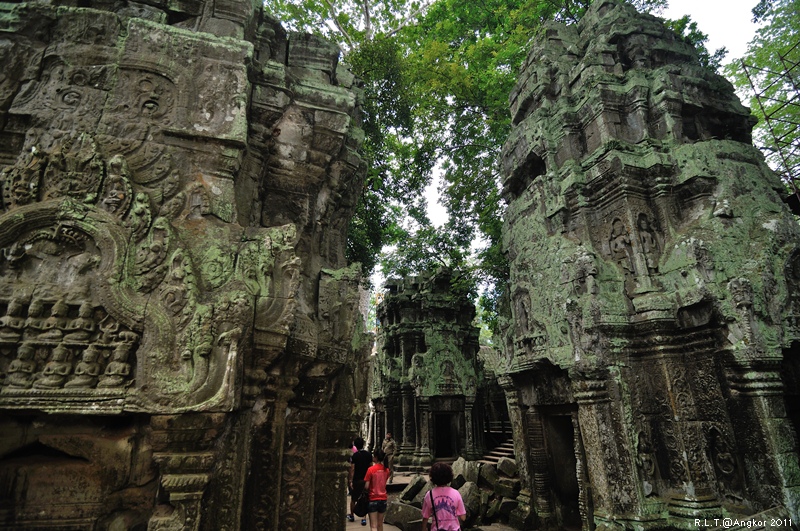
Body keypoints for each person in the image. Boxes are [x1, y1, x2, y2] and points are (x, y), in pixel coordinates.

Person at [421, 462, 466, 531]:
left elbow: (425, 517)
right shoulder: (456, 493)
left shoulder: (429, 495)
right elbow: (463, 517)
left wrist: (424, 529)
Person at [348, 436, 372, 526]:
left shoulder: (355, 456)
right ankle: (363, 518)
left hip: (357, 479)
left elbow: (352, 468)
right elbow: (370, 467)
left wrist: (350, 480)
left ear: (356, 446)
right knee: (364, 498)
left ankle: (352, 515)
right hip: (365, 479)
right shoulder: (368, 455)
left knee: (353, 498)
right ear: (363, 444)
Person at [363, 449, 389, 531]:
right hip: (383, 498)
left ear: (376, 457)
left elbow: (366, 486)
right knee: (380, 525)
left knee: (373, 526)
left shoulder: (370, 470)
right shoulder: (386, 470)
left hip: (373, 498)